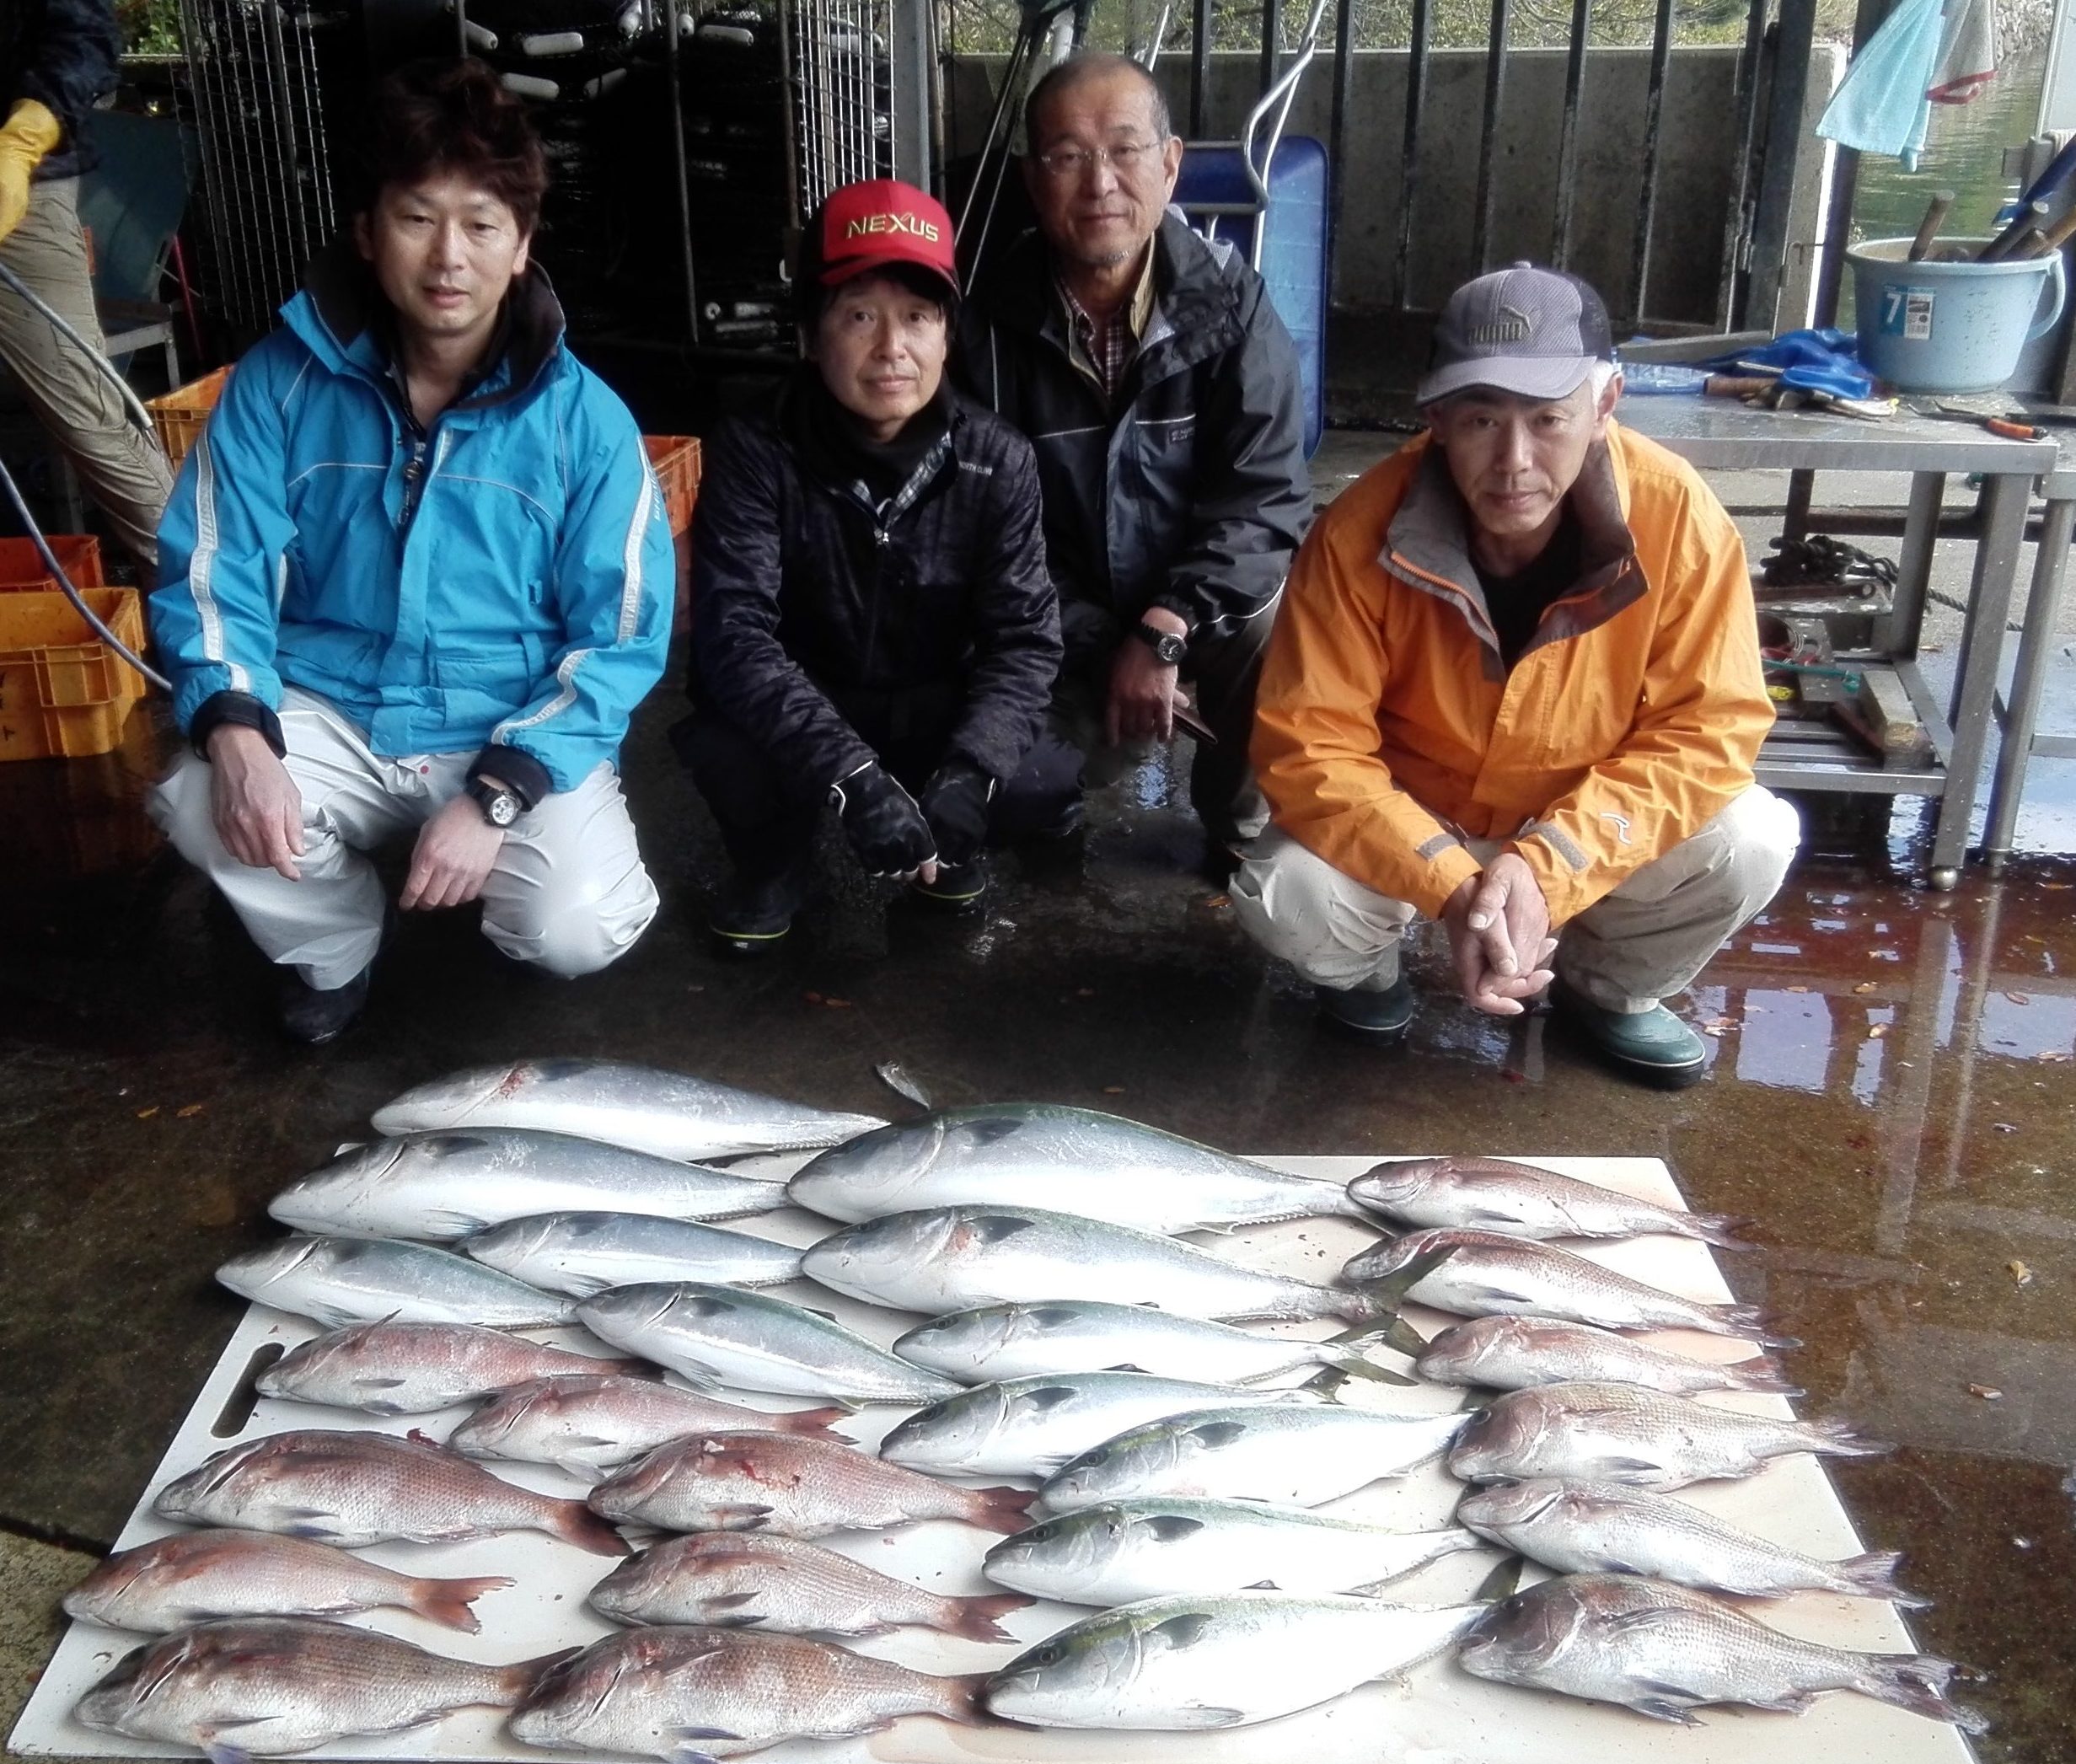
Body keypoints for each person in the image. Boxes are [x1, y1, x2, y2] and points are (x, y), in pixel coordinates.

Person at [148, 59, 672, 1043]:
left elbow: (619, 640)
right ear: (366, 233)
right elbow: (214, 576)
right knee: (195, 790)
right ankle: (337, 940)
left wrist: (501, 793)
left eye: (482, 224)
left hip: (504, 725)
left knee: (576, 927)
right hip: (330, 707)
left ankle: (488, 877)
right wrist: (238, 734)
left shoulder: (586, 424)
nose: (448, 256)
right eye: (417, 216)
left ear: (521, 249)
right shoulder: (278, 388)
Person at [1230, 264, 1800, 1088]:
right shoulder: (1357, 533)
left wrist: (1545, 864)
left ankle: (1607, 987)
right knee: (1284, 890)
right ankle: (1367, 976)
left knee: (1753, 838)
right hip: (1423, 823)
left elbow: (1711, 732)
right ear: (1434, 419)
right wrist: (1455, 885)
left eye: (1548, 418)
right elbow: (1309, 752)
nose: (1514, 460)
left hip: (1584, 821)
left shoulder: (1680, 517)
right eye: (1482, 419)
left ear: (1605, 407)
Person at [679, 177, 1070, 952]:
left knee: (1038, 778)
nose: (892, 349)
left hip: (931, 700)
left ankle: (942, 838)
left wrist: (972, 768)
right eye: (860, 315)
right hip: (804, 700)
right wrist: (851, 775)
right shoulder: (754, 447)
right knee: (728, 749)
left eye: (917, 318)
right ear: (809, 333)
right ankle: (773, 862)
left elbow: (1023, 640)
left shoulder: (1000, 458)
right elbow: (735, 636)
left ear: (947, 334)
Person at [957, 51, 1312, 871]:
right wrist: (1096, 637)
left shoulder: (1233, 304)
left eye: (1124, 149)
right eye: (1068, 156)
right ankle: (1048, 798)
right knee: (1004, 784)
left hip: (1193, 610)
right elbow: (986, 530)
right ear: (1030, 176)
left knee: (1284, 619)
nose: (1100, 183)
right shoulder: (987, 322)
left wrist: (1165, 629)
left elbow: (1265, 499)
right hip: (1058, 621)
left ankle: (1239, 822)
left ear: (1171, 163)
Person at [0, 0, 173, 571]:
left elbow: (82, 32)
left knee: (92, 420)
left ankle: (214, 611)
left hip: (15, 186)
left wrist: (23, 138)